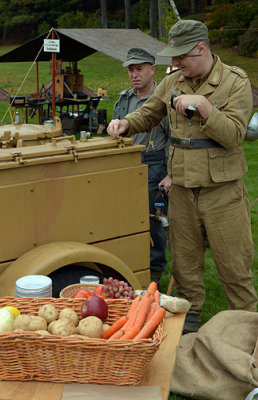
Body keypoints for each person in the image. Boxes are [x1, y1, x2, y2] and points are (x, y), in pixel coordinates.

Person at [107, 20, 257, 333]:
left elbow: (233, 135)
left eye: (180, 57)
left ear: (201, 47)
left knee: (234, 270)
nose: (174, 63)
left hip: (222, 194)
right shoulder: (174, 80)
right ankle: (187, 335)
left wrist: (205, 107)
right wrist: (125, 124)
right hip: (182, 192)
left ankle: (245, 339)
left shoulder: (234, 82)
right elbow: (149, 113)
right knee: (185, 269)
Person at [112, 48, 170, 286]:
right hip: (125, 165)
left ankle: (154, 272)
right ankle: (129, 265)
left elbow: (175, 140)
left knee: (154, 220)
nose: (134, 75)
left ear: (152, 69)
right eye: (131, 70)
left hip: (154, 168)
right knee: (124, 218)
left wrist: (171, 175)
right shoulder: (124, 99)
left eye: (139, 69)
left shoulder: (164, 100)